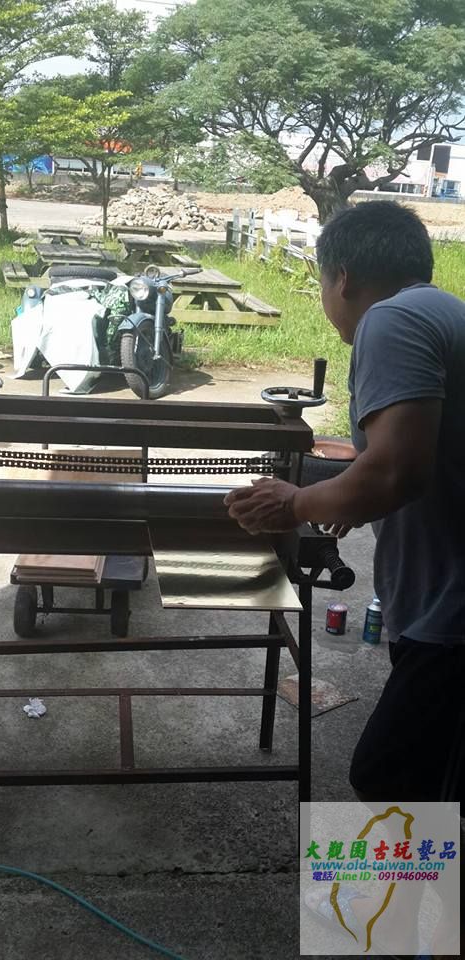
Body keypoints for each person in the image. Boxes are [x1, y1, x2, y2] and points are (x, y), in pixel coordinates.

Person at [225, 201, 464, 955]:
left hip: (453, 617)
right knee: (438, 780)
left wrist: (296, 502)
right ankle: (415, 929)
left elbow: (394, 471)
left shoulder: (389, 321)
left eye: (322, 286)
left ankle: (378, 936)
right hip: (443, 603)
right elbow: (421, 462)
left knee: (385, 775)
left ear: (343, 276)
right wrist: (348, 500)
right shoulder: (446, 312)